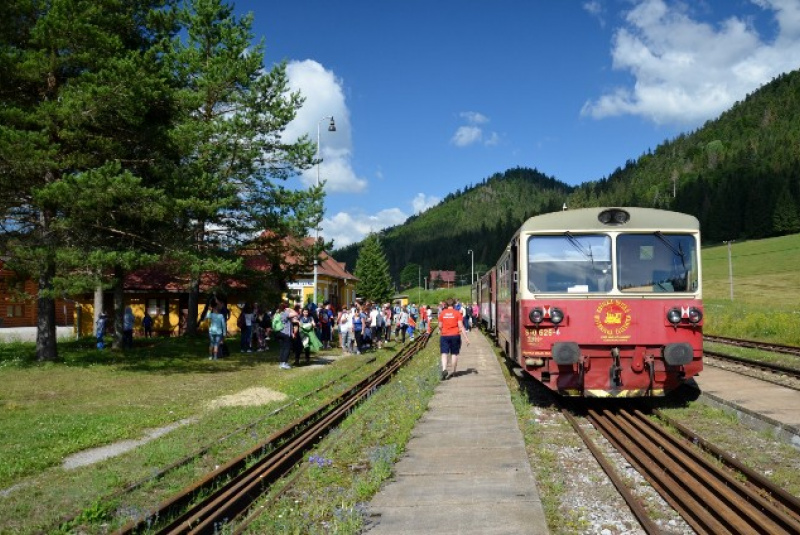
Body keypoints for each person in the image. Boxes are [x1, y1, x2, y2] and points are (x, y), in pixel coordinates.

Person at [438, 297, 469, 380]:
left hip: (444, 335)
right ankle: (454, 371)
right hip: (455, 335)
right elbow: (461, 326)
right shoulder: (457, 313)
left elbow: (440, 326)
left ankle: (444, 369)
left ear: (446, 304)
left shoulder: (442, 313)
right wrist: (466, 338)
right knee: (454, 354)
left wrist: (443, 330)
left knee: (444, 353)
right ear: (454, 304)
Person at [273, 302, 297, 369]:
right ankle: (284, 363)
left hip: (279, 332)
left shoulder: (277, 314)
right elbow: (296, 314)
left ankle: (281, 363)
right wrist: (290, 309)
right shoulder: (285, 313)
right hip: (285, 333)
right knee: (287, 348)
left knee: (282, 348)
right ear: (285, 308)